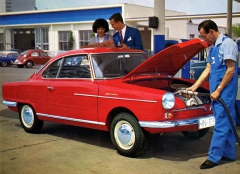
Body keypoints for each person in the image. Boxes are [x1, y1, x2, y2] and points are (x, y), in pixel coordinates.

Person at [186, 20, 238, 169]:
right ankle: (228, 153)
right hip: (216, 92)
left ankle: (214, 157)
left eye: (204, 36)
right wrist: (194, 86)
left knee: (221, 124)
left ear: (211, 32)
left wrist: (219, 90)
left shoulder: (227, 45)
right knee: (227, 122)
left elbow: (230, 70)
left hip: (224, 92)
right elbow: (208, 68)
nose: (203, 39)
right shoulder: (213, 47)